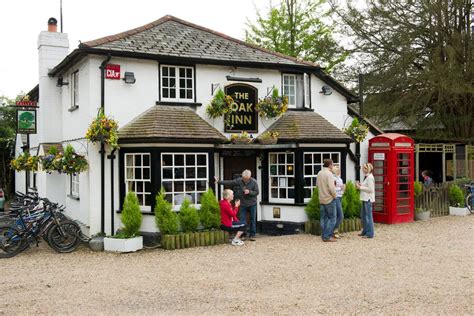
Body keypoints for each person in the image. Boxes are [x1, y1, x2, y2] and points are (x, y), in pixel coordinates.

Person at [215, 169, 259, 240]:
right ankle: (243, 235)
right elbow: (230, 182)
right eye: (244, 179)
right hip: (243, 204)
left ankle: (252, 235)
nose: (245, 180)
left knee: (252, 219)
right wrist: (219, 182)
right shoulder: (239, 180)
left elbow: (257, 192)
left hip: (252, 203)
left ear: (250, 177)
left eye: (246, 179)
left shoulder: (254, 182)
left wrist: (250, 192)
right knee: (242, 220)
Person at [316, 159, 337, 242]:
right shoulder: (329, 174)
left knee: (323, 218)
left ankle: (324, 234)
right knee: (332, 218)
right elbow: (332, 188)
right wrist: (335, 196)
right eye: (333, 164)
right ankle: (326, 236)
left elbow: (317, 185)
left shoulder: (319, 173)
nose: (333, 166)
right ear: (330, 165)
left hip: (321, 198)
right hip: (329, 199)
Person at [356, 163, 375, 239]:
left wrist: (360, 187)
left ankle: (370, 234)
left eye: (364, 168)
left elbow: (370, 189)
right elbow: (366, 186)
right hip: (364, 198)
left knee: (368, 217)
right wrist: (361, 185)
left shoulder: (370, 177)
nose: (362, 169)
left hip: (368, 199)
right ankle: (365, 231)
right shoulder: (366, 177)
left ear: (368, 169)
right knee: (363, 216)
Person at [333, 166, 345, 239]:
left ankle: (336, 231)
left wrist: (343, 190)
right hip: (336, 197)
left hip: (340, 197)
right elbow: (333, 188)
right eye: (337, 170)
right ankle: (333, 231)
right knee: (341, 216)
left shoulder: (340, 178)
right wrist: (341, 188)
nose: (339, 171)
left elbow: (341, 189)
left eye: (339, 170)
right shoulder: (333, 178)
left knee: (337, 215)